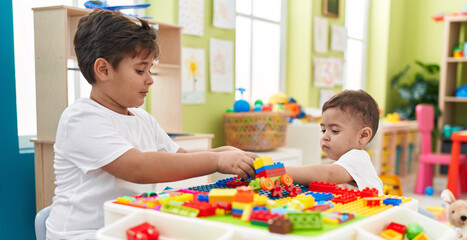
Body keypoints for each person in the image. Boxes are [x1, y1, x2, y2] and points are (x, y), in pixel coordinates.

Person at [46, 9, 257, 240]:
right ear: (103, 70)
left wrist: (223, 152)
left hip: (128, 224)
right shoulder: (81, 118)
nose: (150, 79)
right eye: (140, 70)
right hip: (84, 234)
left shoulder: (142, 118)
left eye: (150, 70)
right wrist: (216, 160)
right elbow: (138, 167)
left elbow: (181, 158)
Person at [286, 90, 383, 194]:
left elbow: (327, 175)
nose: (325, 137)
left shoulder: (357, 158)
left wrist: (284, 172)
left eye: (335, 131)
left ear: (363, 135)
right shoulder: (346, 162)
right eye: (323, 130)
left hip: (380, 210)